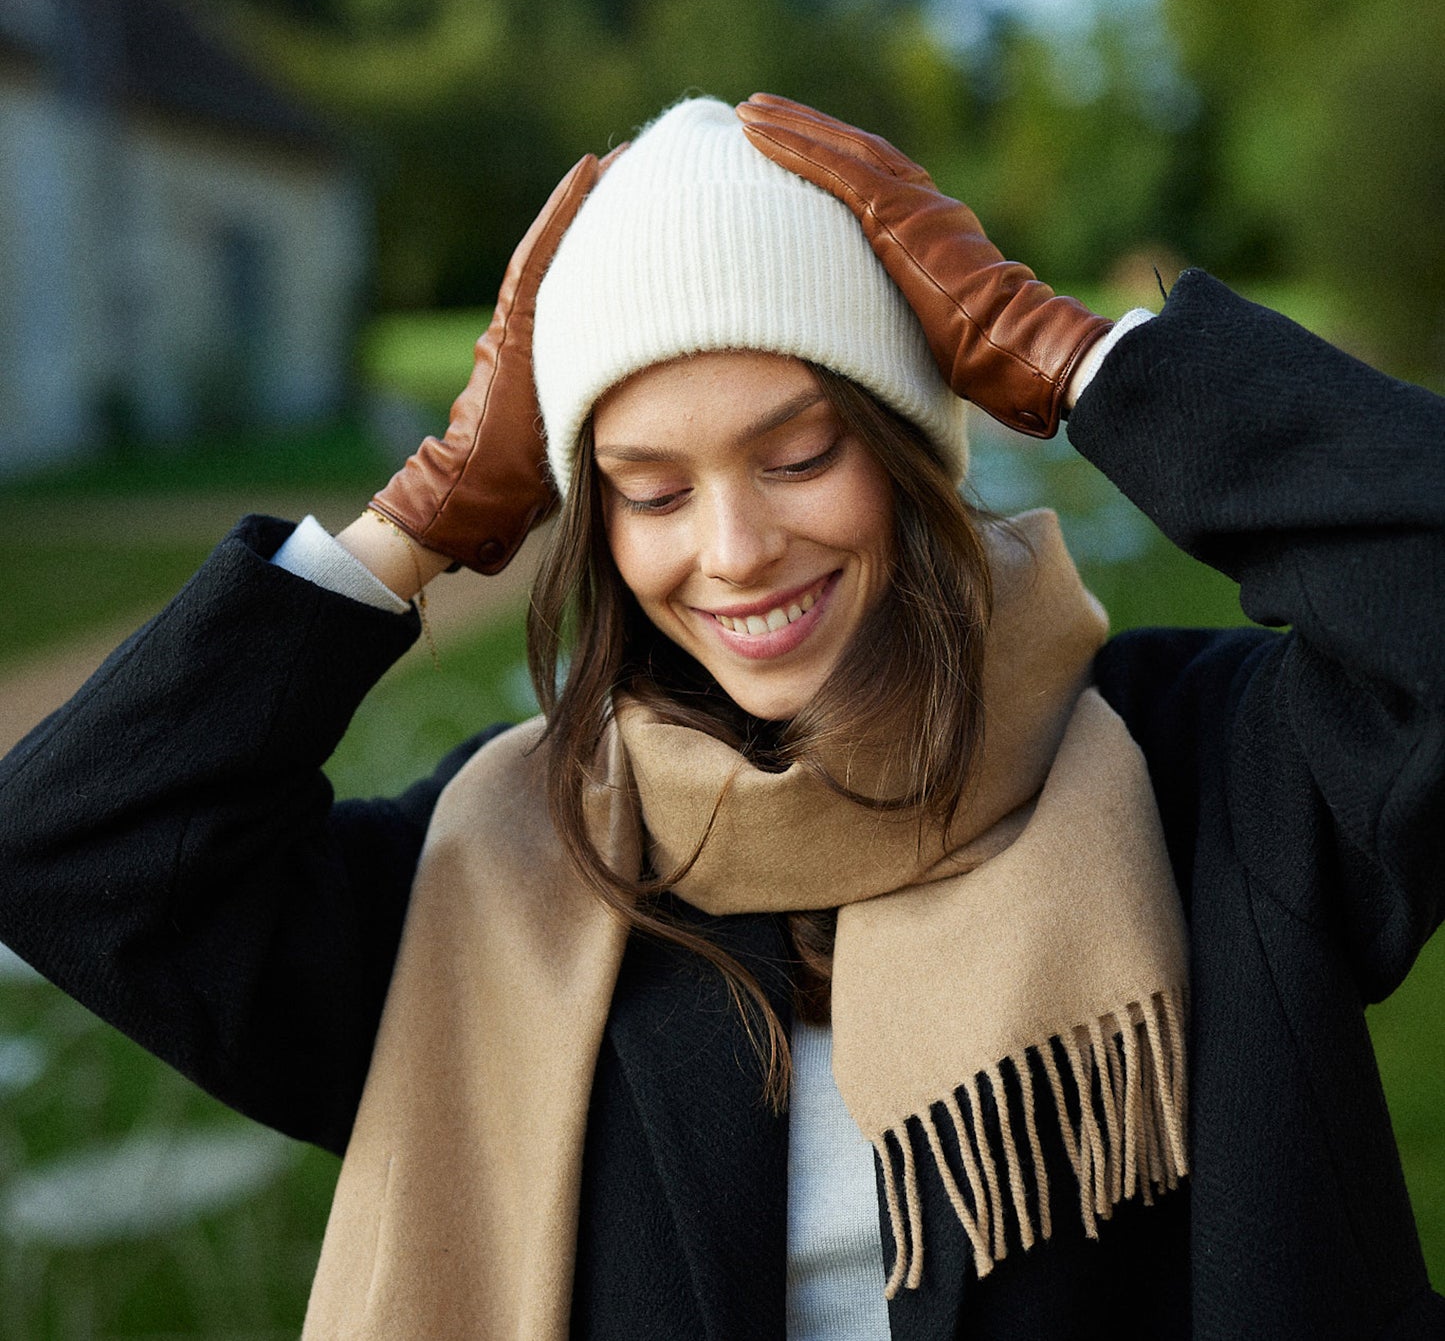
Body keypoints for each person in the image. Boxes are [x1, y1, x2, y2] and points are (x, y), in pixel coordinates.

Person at [0, 93, 1441, 1341]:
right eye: (650, 488)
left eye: (799, 452)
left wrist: (1075, 360)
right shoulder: (498, 872)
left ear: (903, 451)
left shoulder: (1209, 773)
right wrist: (418, 519)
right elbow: (78, 845)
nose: (736, 546)